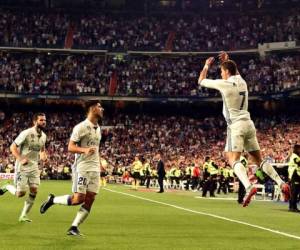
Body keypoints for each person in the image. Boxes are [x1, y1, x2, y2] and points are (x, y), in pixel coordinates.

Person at [198, 51, 290, 207]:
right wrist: (228, 61)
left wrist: (207, 65)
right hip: (249, 123)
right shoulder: (242, 82)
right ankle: (280, 182)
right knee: (259, 160)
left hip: (236, 126)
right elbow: (236, 72)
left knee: (233, 159)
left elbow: (201, 81)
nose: (221, 74)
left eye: (222, 71)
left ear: (227, 72)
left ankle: (249, 187)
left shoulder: (224, 83)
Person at [40, 100, 104, 236]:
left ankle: (74, 227)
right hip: (82, 167)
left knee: (90, 198)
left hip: (94, 169)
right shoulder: (80, 127)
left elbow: (96, 149)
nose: (102, 109)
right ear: (92, 109)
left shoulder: (98, 128)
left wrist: (98, 164)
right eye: (99, 107)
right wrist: (84, 150)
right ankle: (53, 200)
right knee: (79, 199)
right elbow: (70, 147)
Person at [0, 113, 47, 222]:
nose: (43, 122)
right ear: (35, 121)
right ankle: (7, 186)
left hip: (34, 167)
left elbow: (42, 149)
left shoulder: (44, 136)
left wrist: (44, 155)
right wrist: (20, 158)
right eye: (41, 120)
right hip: (22, 167)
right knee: (20, 194)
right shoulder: (26, 133)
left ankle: (23, 215)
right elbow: (12, 147)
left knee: (34, 190)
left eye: (44, 120)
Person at [288, 144, 300, 212]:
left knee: (296, 192)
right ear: (296, 149)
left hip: (297, 176)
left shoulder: (297, 156)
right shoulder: (294, 156)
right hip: (294, 176)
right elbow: (298, 162)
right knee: (294, 192)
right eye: (299, 149)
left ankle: (294, 207)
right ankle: (291, 207)